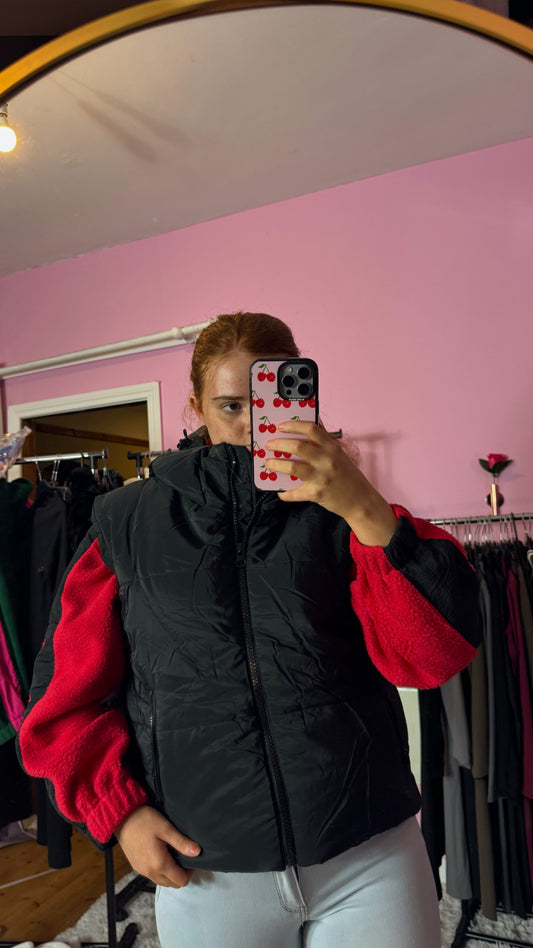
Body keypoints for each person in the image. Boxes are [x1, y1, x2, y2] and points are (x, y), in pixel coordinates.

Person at [18, 312, 480, 948]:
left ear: (303, 396)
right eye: (231, 405)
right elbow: (61, 701)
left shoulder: (350, 512)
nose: (251, 427)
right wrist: (119, 813)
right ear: (195, 405)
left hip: (370, 852)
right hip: (210, 870)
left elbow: (432, 656)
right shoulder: (125, 523)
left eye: (267, 404)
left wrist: (363, 508)